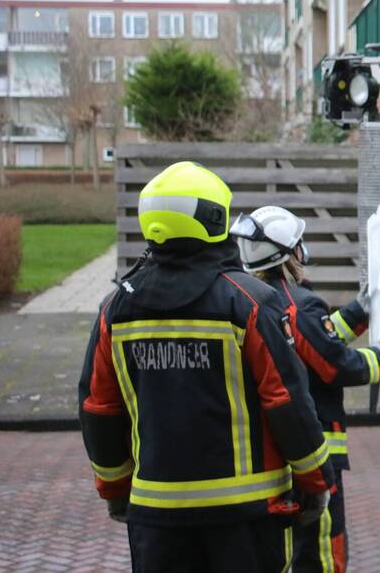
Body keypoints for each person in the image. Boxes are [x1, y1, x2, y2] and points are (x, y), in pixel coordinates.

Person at [78, 161, 334, 573]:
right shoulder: (250, 302)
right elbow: (286, 401)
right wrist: (316, 482)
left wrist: (115, 490)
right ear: (213, 217)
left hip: (157, 520)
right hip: (245, 519)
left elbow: (100, 410)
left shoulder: (116, 309)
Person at [230, 205, 380, 573]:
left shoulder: (251, 298)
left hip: (271, 452)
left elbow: (315, 340)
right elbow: (332, 365)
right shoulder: (298, 304)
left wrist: (357, 311)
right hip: (315, 450)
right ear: (288, 254)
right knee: (321, 550)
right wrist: (379, 360)